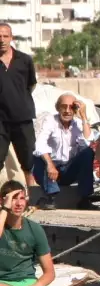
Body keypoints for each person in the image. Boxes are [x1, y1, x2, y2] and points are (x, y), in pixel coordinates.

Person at [31, 93, 95, 210]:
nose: (67, 111)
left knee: (88, 152)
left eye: (71, 107)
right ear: (58, 108)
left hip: (67, 170)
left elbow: (87, 142)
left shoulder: (77, 124)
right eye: (63, 107)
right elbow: (40, 144)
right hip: (49, 170)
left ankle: (85, 198)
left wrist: (83, 116)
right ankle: (51, 197)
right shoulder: (50, 121)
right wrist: (50, 165)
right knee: (38, 157)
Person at [0, 23, 37, 184]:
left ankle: (31, 196)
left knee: (28, 159)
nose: (2, 40)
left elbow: (31, 84)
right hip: (0, 120)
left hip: (23, 117)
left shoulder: (25, 60)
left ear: (11, 38)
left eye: (5, 36)